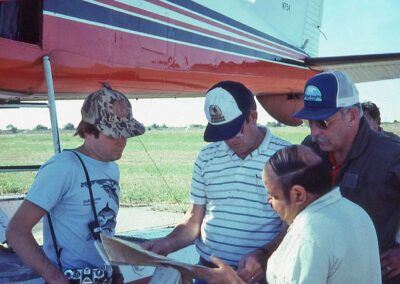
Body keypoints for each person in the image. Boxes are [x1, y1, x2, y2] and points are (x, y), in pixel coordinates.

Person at [143, 81, 291, 283]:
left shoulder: (286, 157)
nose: (229, 140)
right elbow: (194, 218)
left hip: (260, 275)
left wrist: (264, 255)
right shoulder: (206, 157)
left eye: (234, 130)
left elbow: (294, 225)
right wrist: (168, 243)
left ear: (253, 117)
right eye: (222, 133)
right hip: (207, 272)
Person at [6, 86, 145, 283]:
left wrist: (115, 270)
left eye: (125, 133)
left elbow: (105, 228)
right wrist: (55, 278)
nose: (122, 141)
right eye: (113, 134)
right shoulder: (62, 168)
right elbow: (16, 231)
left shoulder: (112, 168)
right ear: (88, 131)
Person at [193, 145, 382, 284]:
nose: (269, 202)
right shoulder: (356, 212)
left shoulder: (309, 235)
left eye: (273, 196)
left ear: (298, 194)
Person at [292, 71, 400, 283]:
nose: (314, 132)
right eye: (309, 122)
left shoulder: (391, 155)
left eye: (322, 123)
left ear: (351, 115)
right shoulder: (309, 149)